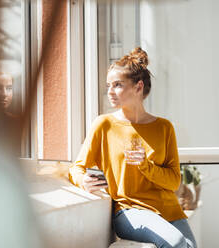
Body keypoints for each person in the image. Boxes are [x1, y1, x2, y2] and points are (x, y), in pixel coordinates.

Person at [69, 47, 197, 248]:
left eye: (117, 85)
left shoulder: (164, 127)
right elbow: (76, 167)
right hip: (129, 211)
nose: (110, 91)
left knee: (189, 246)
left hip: (169, 211)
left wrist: (145, 166)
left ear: (138, 87)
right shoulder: (104, 124)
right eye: (108, 85)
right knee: (177, 243)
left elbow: (173, 182)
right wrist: (83, 181)